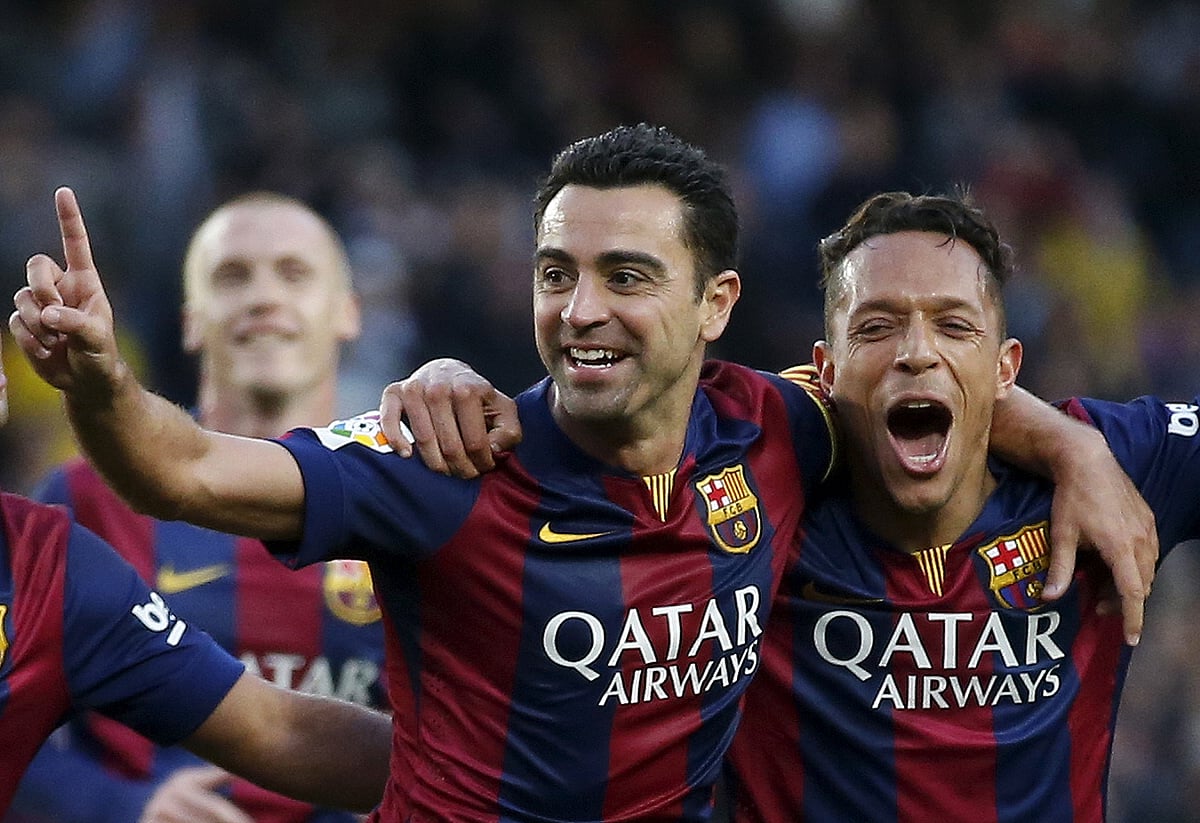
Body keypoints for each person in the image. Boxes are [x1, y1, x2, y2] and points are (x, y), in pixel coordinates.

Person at [11, 126, 1151, 821]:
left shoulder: (778, 433)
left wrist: (1073, 443)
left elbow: (923, 374)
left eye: (626, 274)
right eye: (557, 272)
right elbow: (185, 472)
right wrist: (104, 381)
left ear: (717, 307)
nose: (581, 309)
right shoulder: (450, 463)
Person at [385, 190, 1173, 822]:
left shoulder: (1113, 464)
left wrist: (1080, 446)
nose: (916, 351)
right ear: (824, 370)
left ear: (1006, 366)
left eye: (954, 326)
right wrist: (447, 372)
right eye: (877, 325)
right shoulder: (766, 487)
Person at [9, 193, 388, 823]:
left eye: (293, 273)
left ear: (348, 313)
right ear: (190, 320)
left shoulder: (401, 493)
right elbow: (10, 710)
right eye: (232, 275)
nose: (264, 297)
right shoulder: (84, 498)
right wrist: (121, 805)